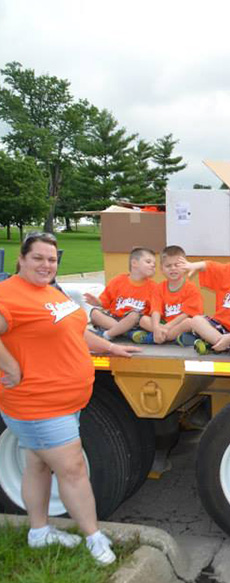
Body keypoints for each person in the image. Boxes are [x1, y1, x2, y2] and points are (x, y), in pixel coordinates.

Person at [0, 232, 140, 565]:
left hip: (66, 400)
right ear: (21, 259)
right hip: (37, 403)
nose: (46, 264)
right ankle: (93, 537)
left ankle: (38, 532)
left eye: (51, 259)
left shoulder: (50, 292)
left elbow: (75, 330)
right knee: (74, 469)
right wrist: (10, 365)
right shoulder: (9, 295)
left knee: (37, 465)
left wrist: (110, 347)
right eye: (38, 257)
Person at [129, 245, 203, 344]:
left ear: (185, 266)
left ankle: (156, 338)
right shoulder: (159, 288)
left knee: (189, 323)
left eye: (177, 265)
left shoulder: (191, 288)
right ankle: (171, 337)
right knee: (143, 320)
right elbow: (156, 310)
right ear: (161, 269)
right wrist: (156, 328)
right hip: (163, 324)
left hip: (180, 323)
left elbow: (187, 314)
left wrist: (167, 327)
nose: (173, 268)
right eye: (168, 266)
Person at [84, 247, 157, 339]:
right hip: (114, 319)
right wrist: (97, 302)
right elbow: (105, 303)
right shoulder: (118, 281)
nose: (153, 265)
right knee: (94, 313)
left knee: (134, 315)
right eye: (148, 262)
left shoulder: (154, 287)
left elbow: (154, 311)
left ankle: (108, 334)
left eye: (154, 264)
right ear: (134, 263)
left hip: (134, 322)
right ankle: (125, 333)